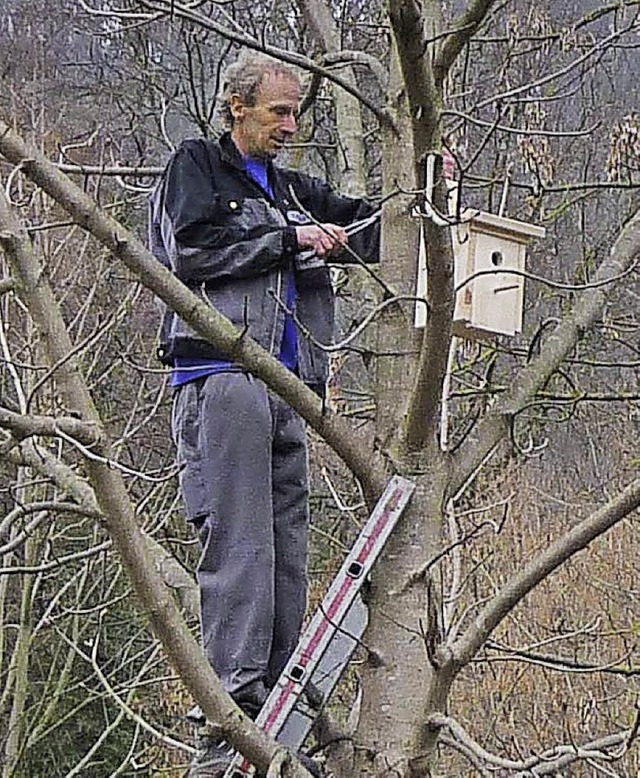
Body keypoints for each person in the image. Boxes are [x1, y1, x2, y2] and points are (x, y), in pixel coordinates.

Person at [149, 53, 379, 776]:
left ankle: (280, 717)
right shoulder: (197, 169)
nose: (290, 126)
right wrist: (289, 239)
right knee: (242, 551)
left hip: (288, 392)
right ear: (236, 108)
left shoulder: (290, 188)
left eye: (297, 113)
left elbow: (370, 231)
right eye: (278, 112)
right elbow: (189, 251)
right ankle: (231, 727)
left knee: (286, 556)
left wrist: (432, 191)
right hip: (224, 376)